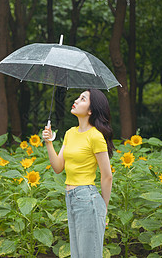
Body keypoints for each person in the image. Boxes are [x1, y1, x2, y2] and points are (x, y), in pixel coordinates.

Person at [42, 89, 114, 258]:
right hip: (71, 197)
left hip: (87, 199)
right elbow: (58, 167)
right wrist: (48, 143)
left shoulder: (95, 137)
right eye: (78, 97)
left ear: (90, 110)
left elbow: (107, 175)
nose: (76, 100)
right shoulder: (70, 133)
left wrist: (103, 209)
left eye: (82, 99)